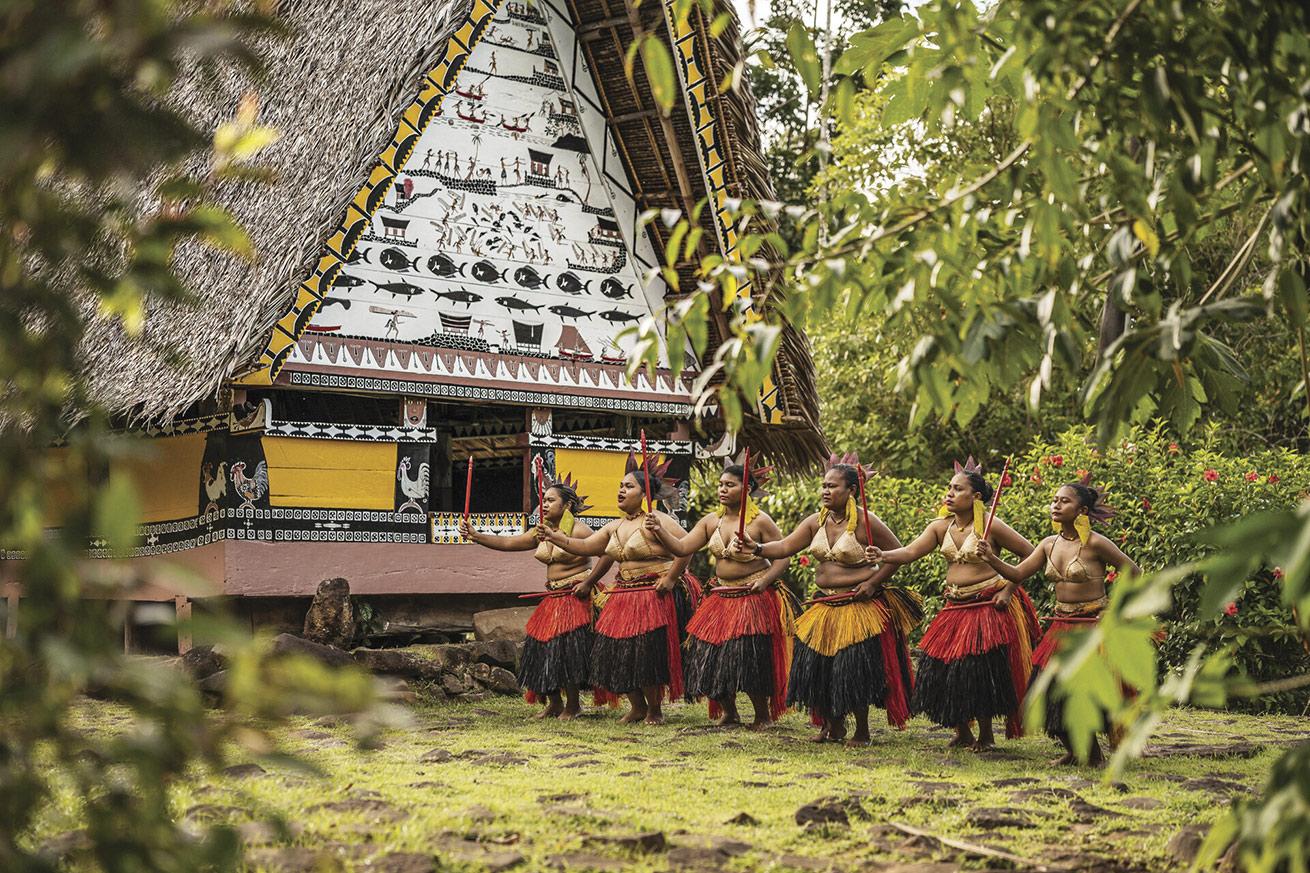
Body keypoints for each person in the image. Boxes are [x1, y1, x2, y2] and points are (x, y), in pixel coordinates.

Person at [731, 455, 921, 746]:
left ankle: (861, 730)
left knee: (852, 669)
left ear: (851, 491)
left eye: (833, 486)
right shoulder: (814, 522)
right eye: (823, 486)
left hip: (857, 606)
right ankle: (831, 725)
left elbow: (897, 555)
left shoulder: (867, 522)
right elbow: (784, 547)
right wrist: (756, 548)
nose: (825, 491)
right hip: (824, 604)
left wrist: (872, 582)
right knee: (818, 668)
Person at [869, 457, 1039, 750]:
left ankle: (986, 735)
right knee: (938, 668)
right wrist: (883, 556)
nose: (949, 493)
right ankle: (962, 731)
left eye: (957, 489)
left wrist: (1009, 590)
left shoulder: (991, 525)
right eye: (949, 487)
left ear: (975, 497)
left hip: (986, 604)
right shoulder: (940, 527)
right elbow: (909, 552)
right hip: (955, 605)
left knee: (977, 670)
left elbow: (1031, 555)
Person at [974, 476, 1141, 765]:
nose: (1056, 504)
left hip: (1092, 628)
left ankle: (1092, 755)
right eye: (1054, 500)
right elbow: (1016, 575)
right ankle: (1078, 752)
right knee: (1046, 691)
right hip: (1060, 626)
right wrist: (991, 559)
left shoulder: (1096, 544)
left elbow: (1134, 572)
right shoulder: (1048, 544)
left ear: (1082, 511)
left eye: (1065, 501)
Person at [538, 453, 700, 725]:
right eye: (620, 486)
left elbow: (687, 548)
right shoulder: (615, 526)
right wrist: (556, 537)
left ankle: (654, 710)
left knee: (645, 653)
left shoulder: (657, 520)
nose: (621, 491)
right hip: (624, 594)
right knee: (614, 652)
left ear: (645, 493)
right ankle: (637, 707)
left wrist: (672, 577)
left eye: (628, 487)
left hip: (652, 594)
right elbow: (587, 547)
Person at [644, 458, 793, 728]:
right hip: (721, 596)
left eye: (730, 485)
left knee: (750, 656)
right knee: (711, 654)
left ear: (746, 489)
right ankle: (729, 712)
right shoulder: (711, 520)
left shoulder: (760, 521)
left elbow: (784, 557)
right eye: (720, 484)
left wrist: (766, 580)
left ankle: (762, 715)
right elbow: (681, 547)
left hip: (752, 595)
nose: (723, 490)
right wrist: (660, 531)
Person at [459, 475, 611, 718]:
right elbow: (509, 543)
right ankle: (554, 703)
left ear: (567, 506)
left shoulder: (581, 530)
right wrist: (476, 535)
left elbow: (608, 553)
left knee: (566, 650)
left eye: (551, 500)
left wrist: (588, 582)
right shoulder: (542, 531)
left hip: (575, 595)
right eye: (544, 501)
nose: (545, 505)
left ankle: (573, 705)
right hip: (553, 596)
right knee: (540, 647)